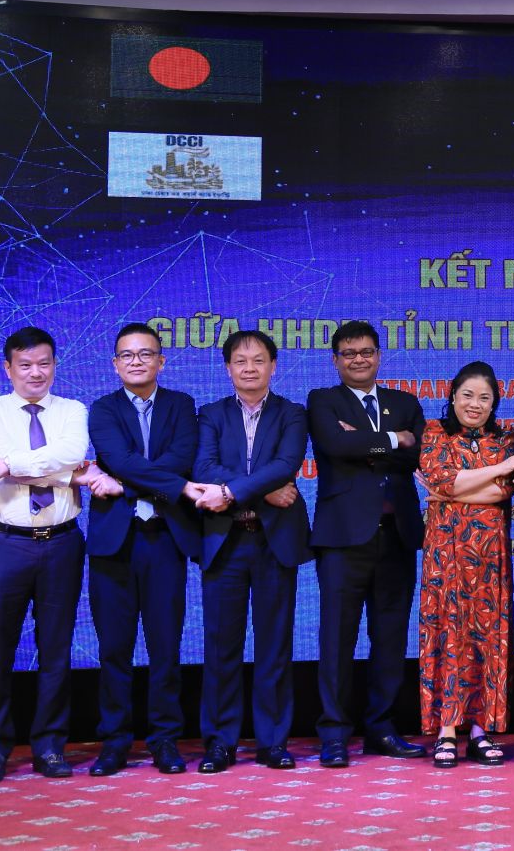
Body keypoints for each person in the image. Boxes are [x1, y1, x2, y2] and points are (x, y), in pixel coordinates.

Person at [0, 326, 90, 783]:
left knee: (56, 650)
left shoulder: (73, 410)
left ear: (55, 365)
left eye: (44, 363)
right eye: (25, 365)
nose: (35, 372)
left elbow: (71, 451)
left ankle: (50, 747)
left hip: (61, 541)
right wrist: (65, 473)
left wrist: (14, 465)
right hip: (4, 541)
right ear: (8, 368)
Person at [83, 322, 202, 776]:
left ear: (161, 361)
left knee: (165, 647)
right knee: (114, 648)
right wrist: (168, 484)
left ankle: (165, 740)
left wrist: (127, 483)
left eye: (145, 354)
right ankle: (114, 741)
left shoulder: (181, 404)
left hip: (165, 539)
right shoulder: (103, 409)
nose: (136, 361)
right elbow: (118, 458)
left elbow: (180, 459)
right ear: (115, 364)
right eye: (127, 355)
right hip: (115, 543)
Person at [308, 320, 428, 767]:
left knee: (390, 637)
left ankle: (382, 727)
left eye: (366, 352)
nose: (358, 359)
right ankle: (334, 733)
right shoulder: (323, 400)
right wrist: (392, 439)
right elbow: (336, 446)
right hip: (343, 537)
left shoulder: (405, 401)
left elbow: (415, 455)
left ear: (379, 355)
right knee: (337, 638)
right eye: (349, 353)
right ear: (335, 360)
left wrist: (367, 443)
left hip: (397, 534)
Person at [191, 329, 311, 773]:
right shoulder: (210, 414)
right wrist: (262, 491)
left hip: (272, 541)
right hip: (224, 541)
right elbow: (203, 467)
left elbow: (285, 464)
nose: (249, 368)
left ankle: (272, 741)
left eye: (258, 360)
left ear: (273, 366)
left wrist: (231, 491)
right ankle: (220, 742)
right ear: (228, 368)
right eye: (240, 361)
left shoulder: (292, 413)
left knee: (274, 645)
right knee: (221, 646)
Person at [415, 361, 514, 767]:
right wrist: (499, 470)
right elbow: (441, 480)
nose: (475, 404)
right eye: (467, 395)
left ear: (494, 403)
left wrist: (454, 491)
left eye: (484, 398)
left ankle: (482, 730)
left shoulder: (506, 439)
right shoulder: (435, 432)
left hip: (488, 559)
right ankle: (446, 730)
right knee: (447, 633)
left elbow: (501, 494)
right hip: (445, 556)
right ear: (452, 396)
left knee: (487, 636)